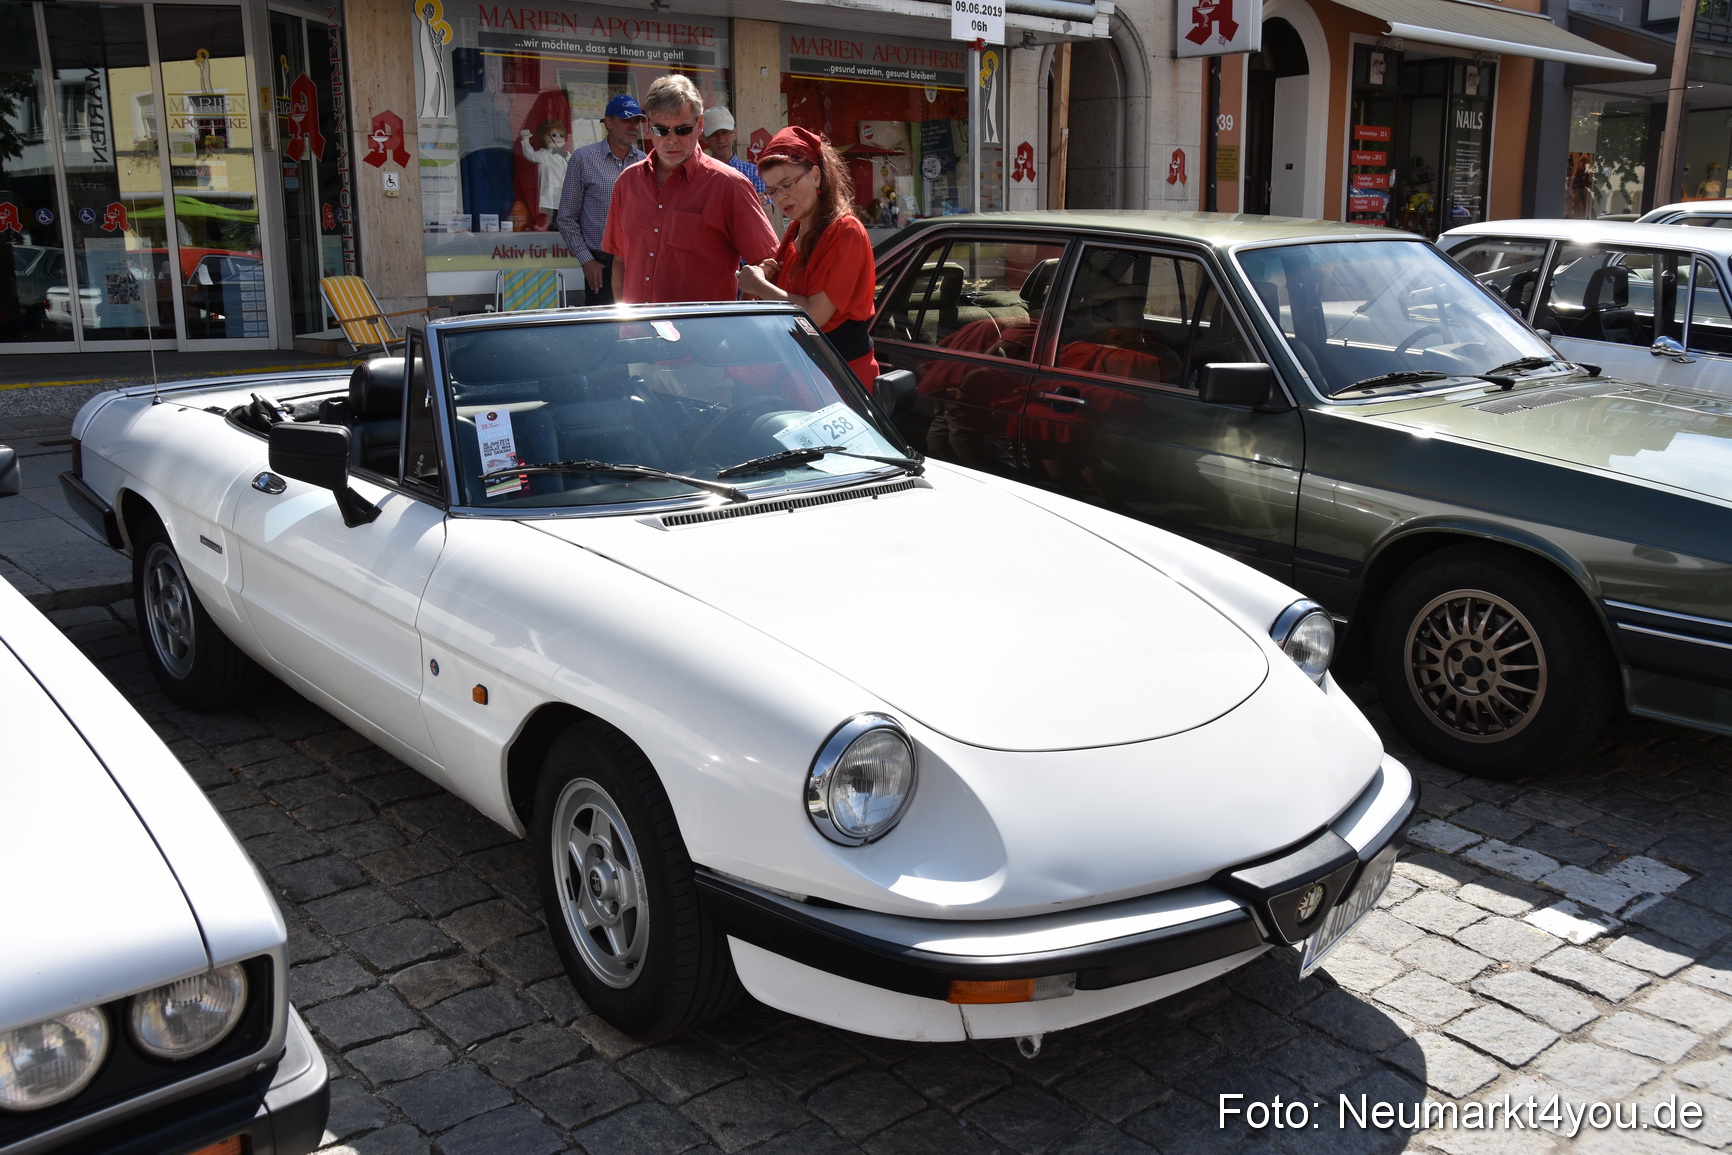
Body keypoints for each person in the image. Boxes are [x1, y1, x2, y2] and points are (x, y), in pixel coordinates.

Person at [602, 75, 778, 304]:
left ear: (700, 124)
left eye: (682, 129)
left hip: (703, 337)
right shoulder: (628, 182)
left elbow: (769, 264)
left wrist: (741, 322)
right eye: (661, 130)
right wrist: (623, 325)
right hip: (639, 335)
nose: (672, 140)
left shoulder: (729, 185)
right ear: (648, 127)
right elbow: (620, 261)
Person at [738, 126, 881, 387]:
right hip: (803, 371)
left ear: (815, 175)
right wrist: (769, 277)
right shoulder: (796, 227)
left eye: (787, 184)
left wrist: (760, 286)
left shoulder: (846, 231)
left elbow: (814, 315)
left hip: (840, 379)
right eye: (772, 191)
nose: (781, 197)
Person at [556, 93, 646, 306]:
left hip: (638, 264)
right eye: (626, 120)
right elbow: (566, 218)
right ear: (609, 122)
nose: (633, 126)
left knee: (641, 331)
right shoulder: (583, 159)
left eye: (636, 121)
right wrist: (587, 260)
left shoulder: (645, 162)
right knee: (604, 333)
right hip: (601, 265)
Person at [701, 107, 766, 198]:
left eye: (725, 133)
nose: (721, 139)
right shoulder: (700, 175)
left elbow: (767, 210)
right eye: (714, 134)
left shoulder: (754, 172)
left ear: (735, 133)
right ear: (704, 138)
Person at [518, 120, 570, 232]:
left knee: (561, 207)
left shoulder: (566, 155)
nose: (558, 138)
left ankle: (559, 223)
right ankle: (548, 224)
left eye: (561, 135)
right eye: (554, 135)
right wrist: (526, 140)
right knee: (549, 208)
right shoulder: (544, 154)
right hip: (549, 186)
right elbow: (531, 155)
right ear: (543, 138)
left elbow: (575, 167)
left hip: (562, 186)